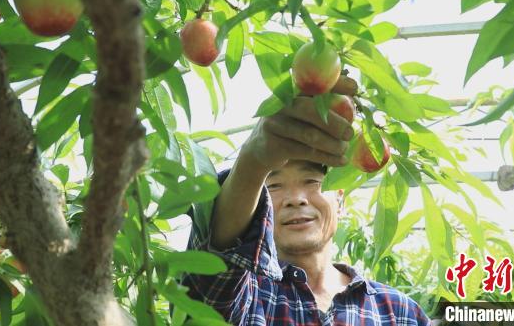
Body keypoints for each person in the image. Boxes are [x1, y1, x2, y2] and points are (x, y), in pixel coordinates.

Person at [182, 93, 430, 325]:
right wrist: (254, 161)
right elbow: (212, 276)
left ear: (340, 202)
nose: (296, 199)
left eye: (312, 182)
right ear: (259, 208)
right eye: (275, 185)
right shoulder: (248, 296)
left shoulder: (399, 312)